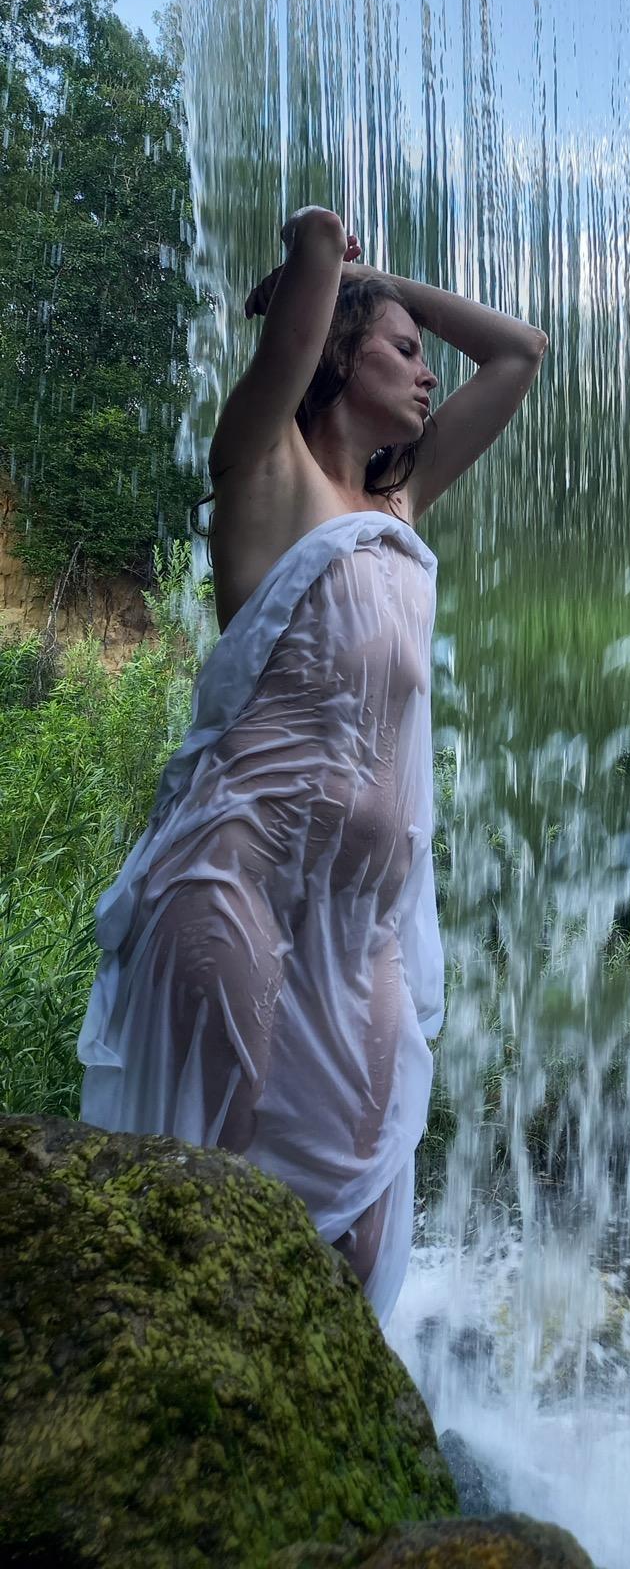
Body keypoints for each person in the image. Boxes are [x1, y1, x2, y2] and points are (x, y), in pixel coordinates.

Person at [77, 205, 547, 1322]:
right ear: (338, 357)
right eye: (401, 350)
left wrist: (386, 284)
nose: (427, 373)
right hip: (236, 879)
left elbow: (520, 351)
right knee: (214, 1198)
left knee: (363, 1207)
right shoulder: (268, 469)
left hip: (363, 927)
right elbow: (303, 298)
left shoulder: (399, 503)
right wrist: (328, 269)